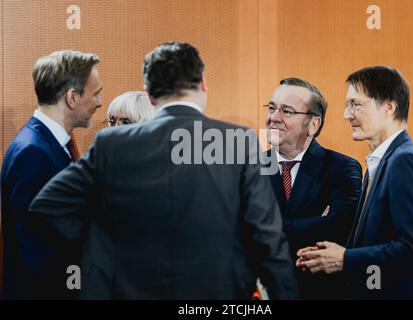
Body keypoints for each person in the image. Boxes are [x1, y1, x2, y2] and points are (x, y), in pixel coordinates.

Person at [29, 41, 299, 299]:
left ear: (149, 93)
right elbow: (267, 238)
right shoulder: (240, 141)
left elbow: (47, 206)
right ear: (203, 82)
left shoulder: (111, 143)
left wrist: (106, 243)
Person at [297, 66, 413, 299]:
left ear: (389, 107)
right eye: (347, 105)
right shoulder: (380, 163)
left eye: (356, 104)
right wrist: (331, 256)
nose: (347, 114)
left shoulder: (405, 161)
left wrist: (344, 259)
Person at [1, 50, 103, 299]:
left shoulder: (48, 145)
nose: (100, 102)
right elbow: (36, 252)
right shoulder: (33, 153)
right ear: (72, 97)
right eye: (96, 93)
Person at [264, 77, 362, 299]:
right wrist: (316, 222)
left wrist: (262, 228)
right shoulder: (248, 169)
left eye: (286, 111)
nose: (273, 118)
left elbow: (338, 228)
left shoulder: (342, 168)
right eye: (272, 108)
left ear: (313, 125)